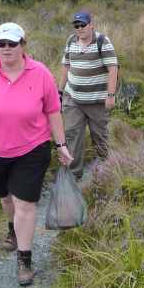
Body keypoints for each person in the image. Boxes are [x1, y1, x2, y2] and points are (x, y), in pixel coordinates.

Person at [0, 22, 73, 287]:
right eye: (1, 44)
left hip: (33, 149)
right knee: (6, 199)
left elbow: (53, 111)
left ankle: (25, 259)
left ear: (23, 44)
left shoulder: (40, 73)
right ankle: (13, 230)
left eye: (12, 43)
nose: (6, 49)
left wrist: (60, 144)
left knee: (25, 204)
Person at [58, 11, 118, 179]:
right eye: (76, 26)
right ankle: (74, 174)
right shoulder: (71, 41)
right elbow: (66, 66)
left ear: (91, 24)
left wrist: (111, 95)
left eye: (83, 25)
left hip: (96, 101)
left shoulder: (102, 42)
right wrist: (60, 91)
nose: (80, 28)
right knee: (72, 135)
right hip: (73, 99)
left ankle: (105, 167)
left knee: (99, 136)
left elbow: (113, 68)